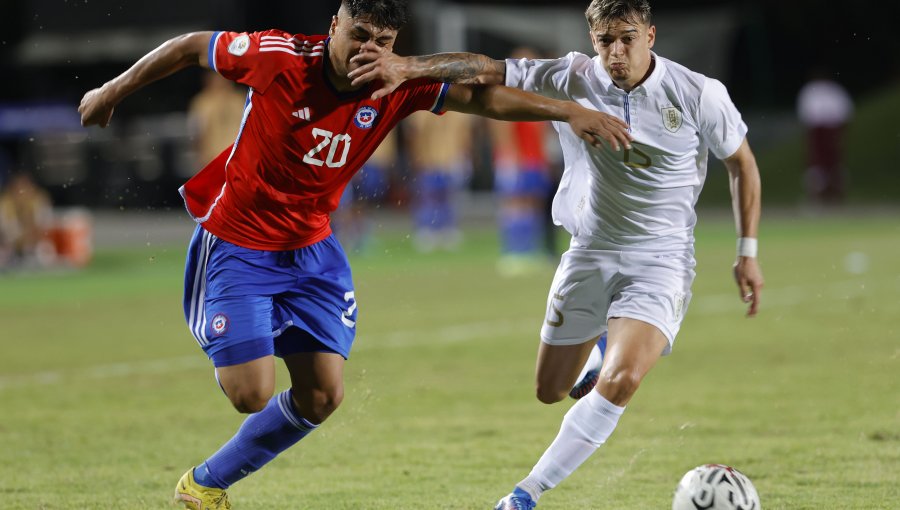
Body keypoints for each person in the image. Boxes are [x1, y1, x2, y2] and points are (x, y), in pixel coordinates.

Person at [77, 1, 632, 508]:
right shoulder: (279, 60)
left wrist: (566, 112)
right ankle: (238, 333)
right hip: (238, 244)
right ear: (334, 27)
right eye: (358, 35)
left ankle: (204, 486)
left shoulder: (393, 83)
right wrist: (112, 92)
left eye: (382, 42)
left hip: (312, 250)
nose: (368, 51)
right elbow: (192, 44)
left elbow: (480, 93)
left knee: (322, 396)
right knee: (251, 394)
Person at [347, 0, 764, 508]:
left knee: (623, 378)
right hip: (589, 253)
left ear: (651, 36)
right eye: (605, 40)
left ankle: (525, 494)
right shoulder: (574, 77)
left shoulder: (699, 93)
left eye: (627, 38)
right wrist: (409, 67)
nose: (616, 52)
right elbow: (486, 70)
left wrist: (747, 251)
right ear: (593, 40)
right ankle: (590, 359)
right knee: (549, 388)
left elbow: (742, 164)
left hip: (661, 260)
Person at [488, 47, 555, 275]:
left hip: (536, 160)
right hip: (516, 161)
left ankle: (529, 251)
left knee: (533, 206)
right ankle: (512, 252)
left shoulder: (536, 94)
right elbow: (501, 128)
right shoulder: (507, 93)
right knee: (515, 205)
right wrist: (510, 160)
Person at [405, 109, 473, 252]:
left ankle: (447, 229)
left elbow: (465, 135)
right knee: (428, 197)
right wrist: (417, 157)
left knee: (448, 197)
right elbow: (415, 134)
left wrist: (464, 156)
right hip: (430, 160)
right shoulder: (423, 110)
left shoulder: (457, 112)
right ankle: (427, 229)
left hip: (450, 159)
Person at [796, 67, 853, 205]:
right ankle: (818, 197)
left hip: (830, 131)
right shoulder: (814, 91)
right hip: (819, 133)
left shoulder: (827, 91)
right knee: (818, 166)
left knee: (832, 166)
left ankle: (836, 197)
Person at [188, 71, 247, 168]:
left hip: (238, 160)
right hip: (214, 160)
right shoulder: (202, 102)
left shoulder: (241, 99)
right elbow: (196, 134)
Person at [0, 172, 54, 268]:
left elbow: (44, 227)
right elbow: (6, 231)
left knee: (46, 252)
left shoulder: (39, 200)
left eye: (25, 187)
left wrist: (28, 220)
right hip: (10, 247)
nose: (21, 193)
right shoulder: (5, 203)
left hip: (35, 245)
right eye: (18, 188)